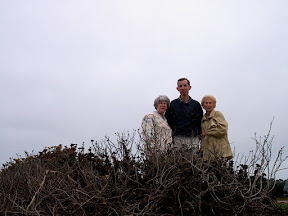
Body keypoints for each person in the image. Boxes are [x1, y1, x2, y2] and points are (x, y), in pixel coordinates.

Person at [165, 78, 203, 152]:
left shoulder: (196, 105)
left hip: (193, 138)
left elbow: (199, 121)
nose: (183, 88)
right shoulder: (173, 104)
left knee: (193, 161)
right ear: (177, 88)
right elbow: (168, 120)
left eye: (185, 85)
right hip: (178, 138)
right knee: (178, 161)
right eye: (180, 86)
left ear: (189, 87)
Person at [200, 95, 233, 160]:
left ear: (214, 105)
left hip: (220, 151)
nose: (208, 105)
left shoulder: (218, 115)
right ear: (203, 106)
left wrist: (208, 132)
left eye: (210, 103)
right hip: (207, 152)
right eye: (206, 103)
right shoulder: (202, 119)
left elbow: (223, 130)